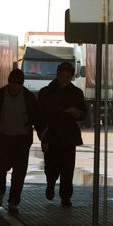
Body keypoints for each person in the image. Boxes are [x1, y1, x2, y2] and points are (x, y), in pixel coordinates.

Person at [0, 69, 45, 213]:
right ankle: (0, 191)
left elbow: (39, 120)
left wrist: (44, 139)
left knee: (19, 174)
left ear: (22, 84)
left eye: (18, 84)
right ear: (8, 82)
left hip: (22, 141)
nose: (15, 87)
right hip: (2, 140)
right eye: (13, 83)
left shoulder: (28, 98)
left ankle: (14, 202)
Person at [38, 62, 87, 207]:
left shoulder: (76, 93)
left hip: (68, 138)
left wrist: (77, 113)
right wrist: (43, 137)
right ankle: (51, 184)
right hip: (51, 137)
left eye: (68, 77)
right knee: (51, 167)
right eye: (62, 76)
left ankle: (66, 197)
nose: (64, 79)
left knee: (67, 170)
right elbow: (40, 117)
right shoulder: (45, 92)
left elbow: (84, 113)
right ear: (57, 75)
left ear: (71, 77)